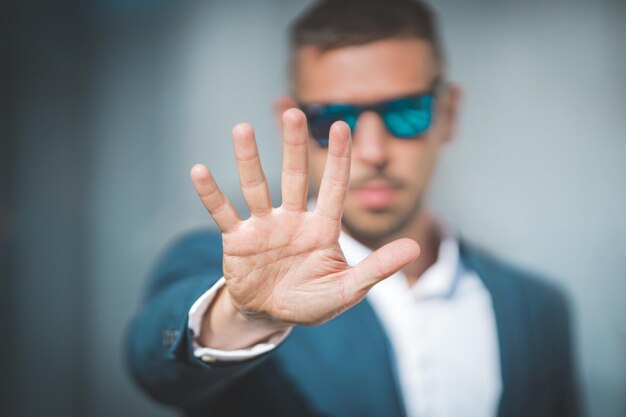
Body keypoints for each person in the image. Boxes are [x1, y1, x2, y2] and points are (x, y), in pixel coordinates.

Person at [126, 0, 582, 416]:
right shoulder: (220, 271)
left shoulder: (537, 308)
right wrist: (240, 316)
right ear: (296, 122)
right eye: (333, 118)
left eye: (407, 111)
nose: (372, 150)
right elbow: (154, 362)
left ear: (448, 113)